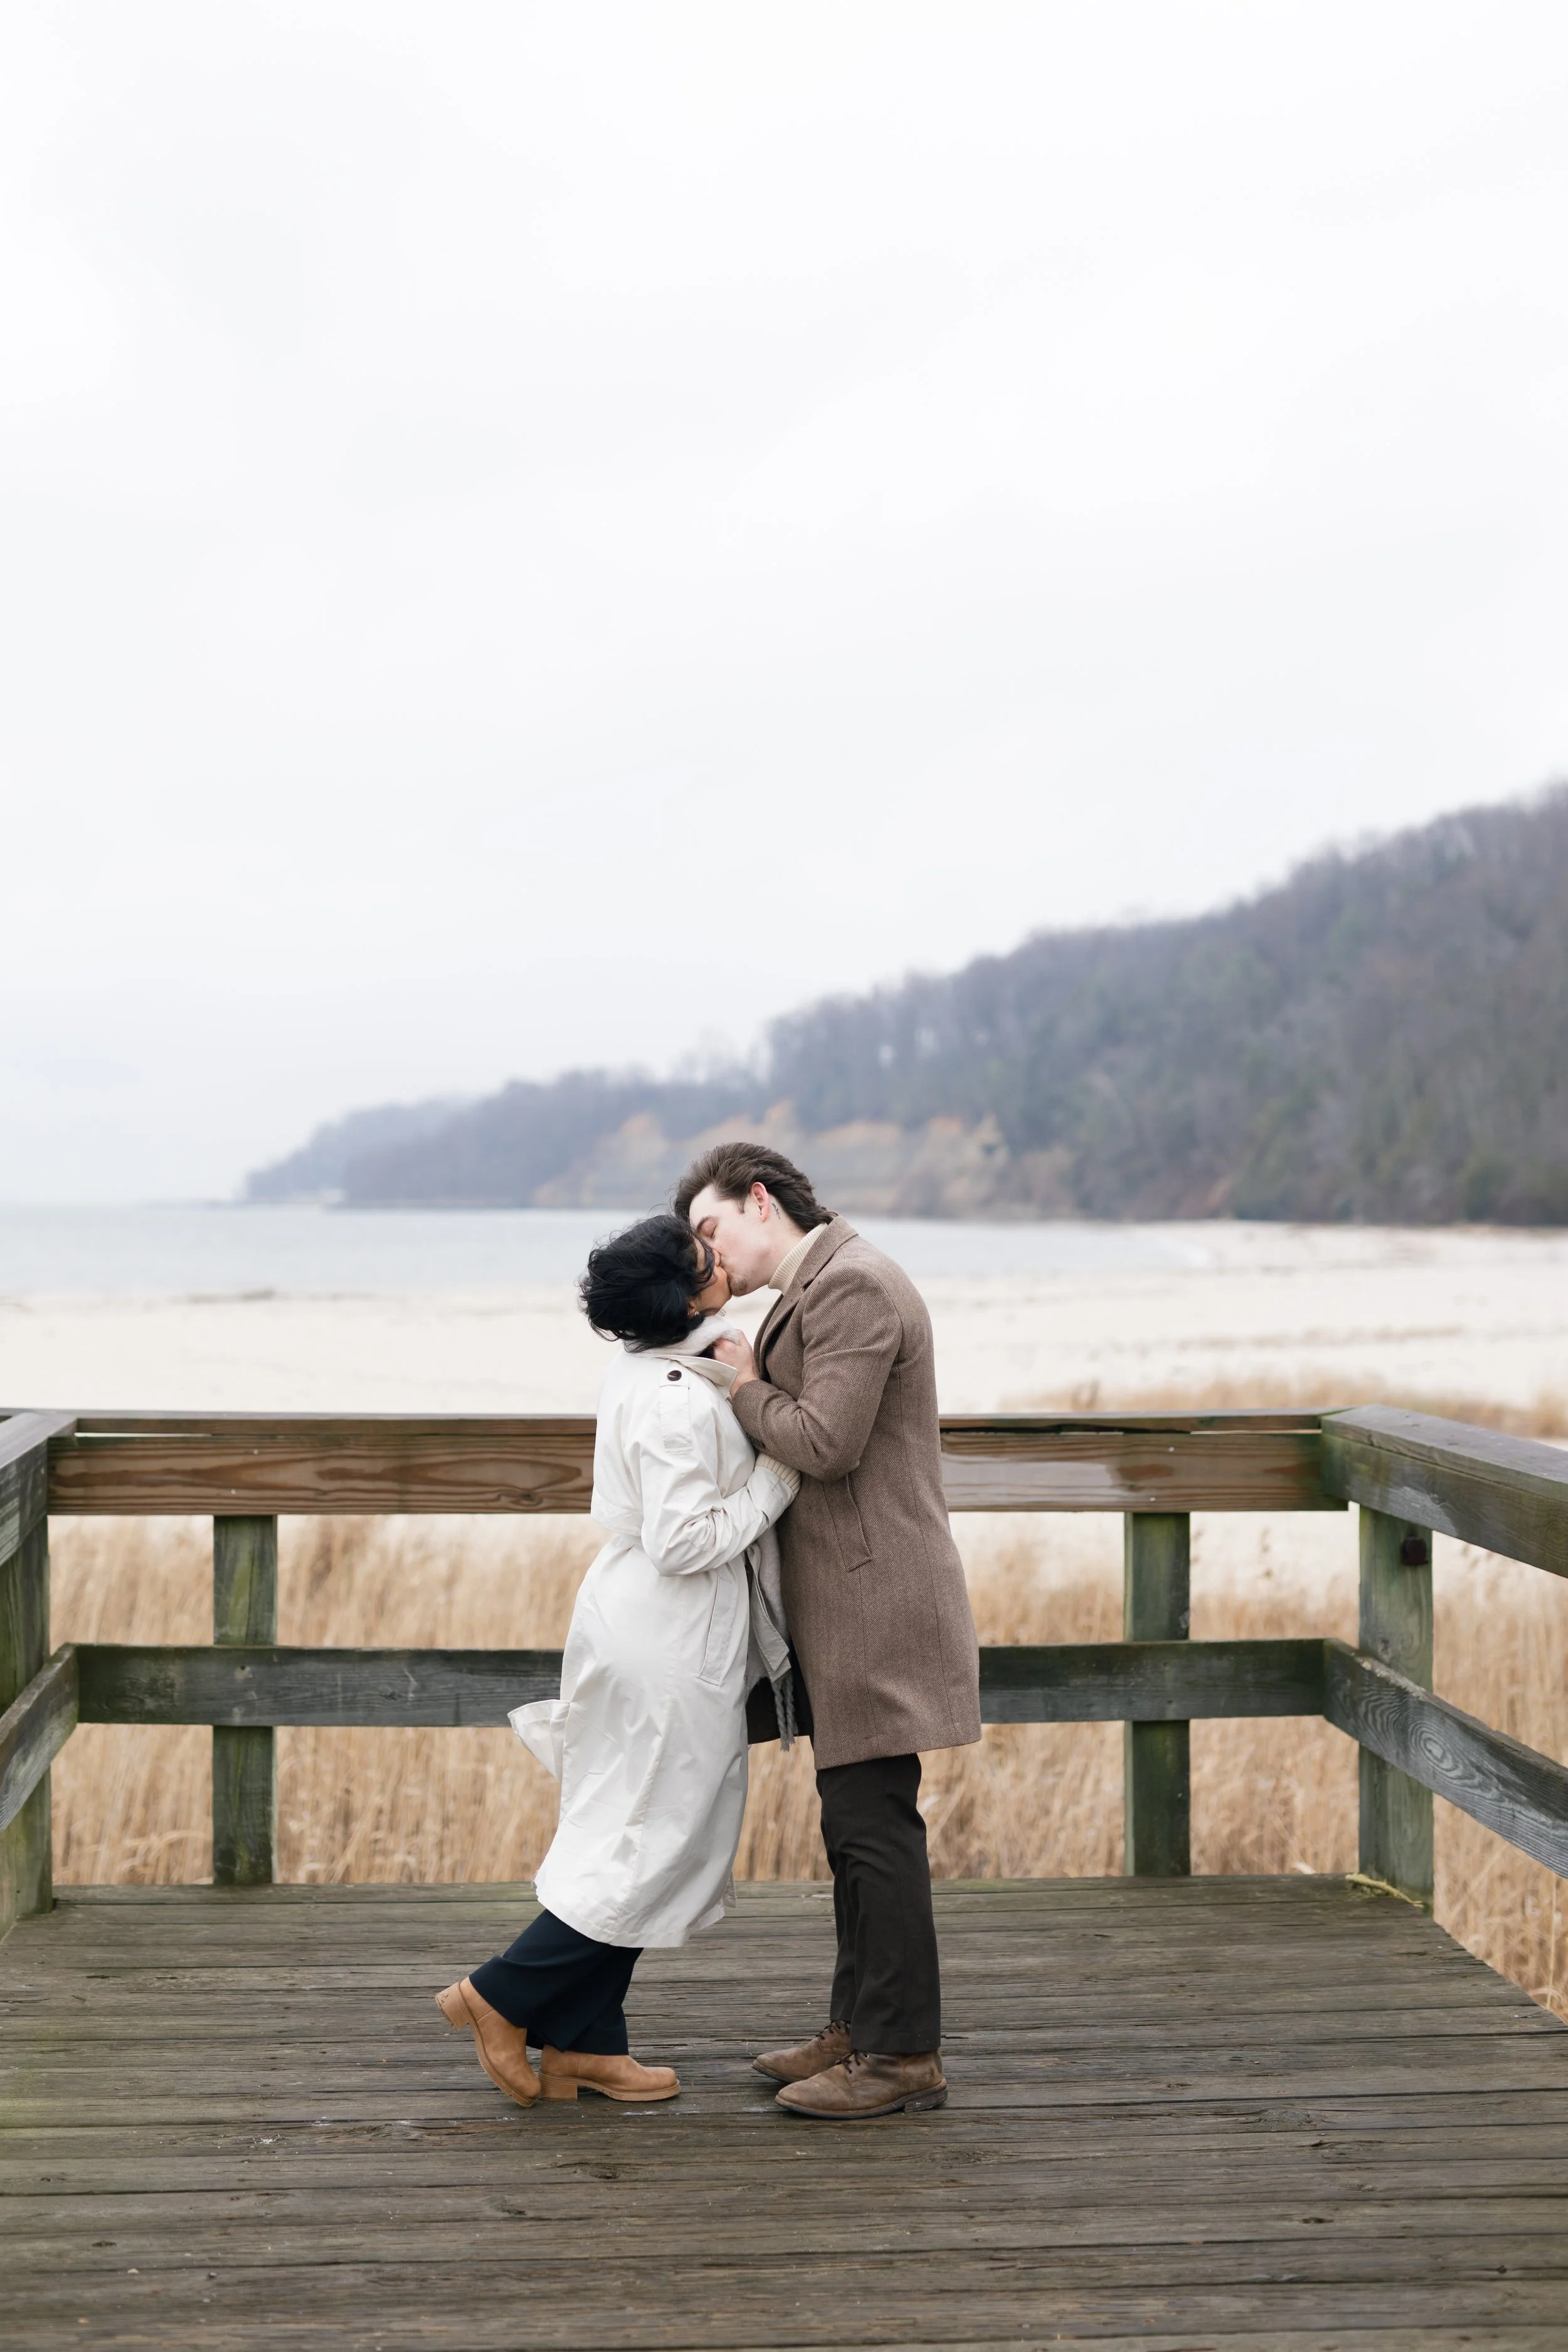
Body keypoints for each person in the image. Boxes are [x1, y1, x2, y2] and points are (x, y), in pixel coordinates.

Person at [436, 1214, 800, 2107]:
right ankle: (499, 1993)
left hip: (637, 1619)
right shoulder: (675, 1397)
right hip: (667, 1632)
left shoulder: (653, 1365)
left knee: (630, 1830)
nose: (721, 1256)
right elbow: (683, 1540)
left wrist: (740, 1371)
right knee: (654, 1838)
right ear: (683, 1296)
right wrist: (778, 1477)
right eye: (704, 1256)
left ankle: (586, 2043)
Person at [677, 1142, 982, 2121]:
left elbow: (826, 1440)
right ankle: (859, 2027)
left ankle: (903, 2054)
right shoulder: (815, 1287)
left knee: (874, 1826)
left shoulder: (855, 1285)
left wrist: (738, 1385)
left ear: (761, 1201)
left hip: (876, 1596)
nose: (706, 1256)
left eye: (712, 1229)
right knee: (853, 1825)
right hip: (850, 1598)